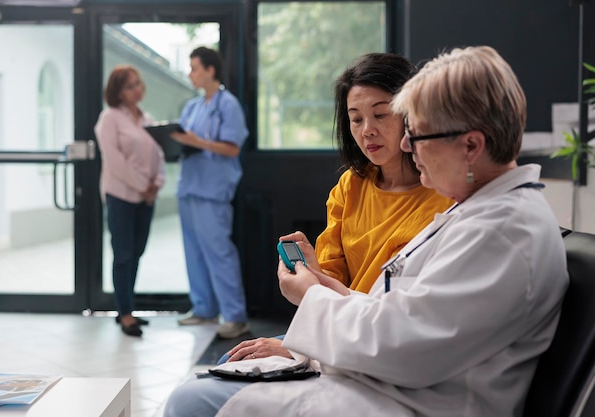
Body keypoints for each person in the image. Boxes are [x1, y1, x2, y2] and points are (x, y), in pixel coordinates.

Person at [163, 45, 569, 417]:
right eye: (357, 119)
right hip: (383, 381)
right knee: (210, 384)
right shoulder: (480, 214)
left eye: (419, 134)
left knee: (192, 401)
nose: (409, 146)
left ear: (471, 146)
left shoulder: (499, 233)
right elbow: (396, 314)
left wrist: (310, 297)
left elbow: (401, 346)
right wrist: (322, 286)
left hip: (406, 400)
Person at [218, 53, 453, 363]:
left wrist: (300, 345)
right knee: (230, 363)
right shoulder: (350, 185)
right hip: (337, 326)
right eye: (356, 119)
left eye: (381, 114)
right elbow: (331, 278)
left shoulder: (445, 196)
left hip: (385, 341)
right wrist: (311, 274)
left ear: (413, 115)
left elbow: (412, 317)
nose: (367, 130)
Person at [170, 47, 250, 339]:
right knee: (193, 252)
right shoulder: (191, 107)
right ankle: (203, 309)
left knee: (219, 253)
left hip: (212, 190)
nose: (190, 74)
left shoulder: (228, 105)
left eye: (194, 68)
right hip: (189, 187)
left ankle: (235, 316)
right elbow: (184, 142)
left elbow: (232, 147)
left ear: (210, 70)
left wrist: (195, 141)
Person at [94, 65, 165, 337]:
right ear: (118, 92)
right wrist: (141, 186)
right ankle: (124, 314)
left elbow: (159, 155)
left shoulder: (146, 118)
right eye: (130, 85)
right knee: (123, 255)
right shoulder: (109, 118)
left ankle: (128, 309)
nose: (138, 89)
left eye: (138, 83)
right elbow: (115, 162)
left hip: (146, 198)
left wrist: (155, 185)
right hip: (121, 197)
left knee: (136, 253)